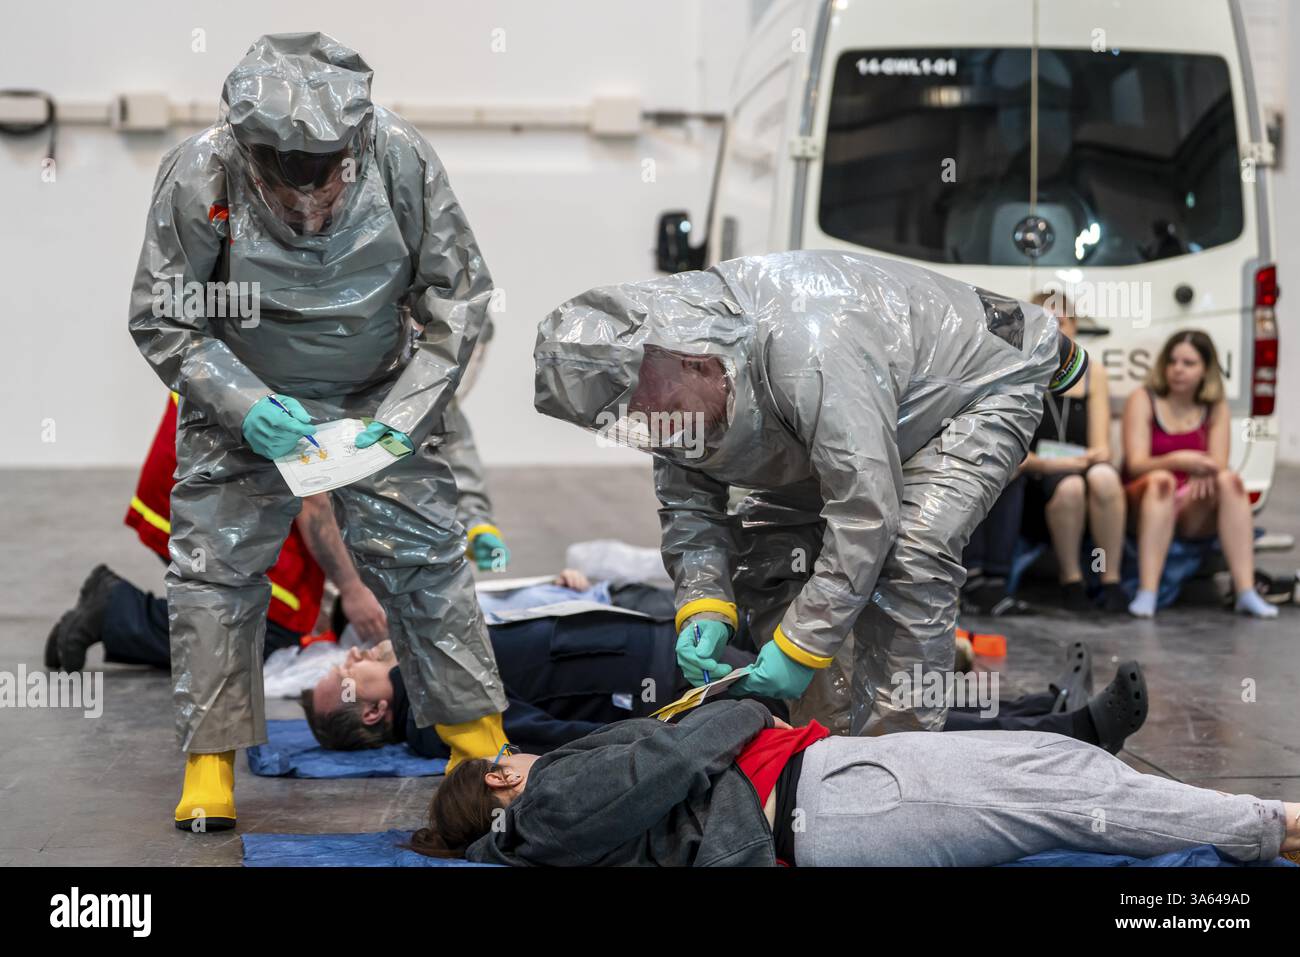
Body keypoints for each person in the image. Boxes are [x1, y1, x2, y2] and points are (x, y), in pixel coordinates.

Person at [128, 33, 509, 832]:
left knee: (428, 562)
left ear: (355, 145)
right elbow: (164, 316)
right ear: (247, 151)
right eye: (283, 185)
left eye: (325, 182)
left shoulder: (402, 159)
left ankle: (477, 740)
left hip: (375, 395)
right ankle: (210, 763)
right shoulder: (200, 172)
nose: (308, 207)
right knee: (214, 573)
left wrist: (402, 419)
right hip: (247, 403)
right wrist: (240, 403)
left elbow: (460, 303)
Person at [533, 250, 1088, 734]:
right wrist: (704, 603)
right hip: (863, 414)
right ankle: (825, 757)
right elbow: (688, 503)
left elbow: (866, 512)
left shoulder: (806, 353)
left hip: (979, 384)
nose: (655, 429)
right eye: (631, 422)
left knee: (912, 554)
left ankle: (900, 772)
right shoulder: (664, 386)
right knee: (774, 560)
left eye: (657, 412)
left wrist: (803, 646)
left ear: (695, 361)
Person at [412, 699, 1298, 866]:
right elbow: (678, 760)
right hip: (822, 804)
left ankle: (1268, 827)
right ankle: (1274, 825)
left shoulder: (548, 817)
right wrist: (747, 707)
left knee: (1064, 772)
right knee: (1066, 797)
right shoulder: (548, 806)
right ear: (499, 776)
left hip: (823, 793)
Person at [305, 594, 1147, 758]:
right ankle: (1069, 731)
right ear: (373, 717)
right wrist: (668, 728)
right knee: (865, 728)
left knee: (865, 692)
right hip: (678, 691)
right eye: (348, 682)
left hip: (668, 655)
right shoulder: (447, 713)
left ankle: (1037, 705)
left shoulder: (431, 668)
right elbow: (552, 730)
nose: (353, 663)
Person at [44, 393, 509, 672]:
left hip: (242, 473)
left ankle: (117, 610)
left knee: (272, 614)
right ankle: (115, 611)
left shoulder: (407, 369)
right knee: (264, 629)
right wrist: (351, 590)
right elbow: (313, 497)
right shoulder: (351, 356)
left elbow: (450, 451)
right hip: (216, 475)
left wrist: (477, 522)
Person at [1121, 330, 1276, 619]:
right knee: (1162, 482)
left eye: (1188, 363)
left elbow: (1217, 463)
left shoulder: (1214, 406)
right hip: (1148, 494)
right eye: (1173, 361)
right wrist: (1177, 460)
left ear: (1205, 369)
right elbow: (1136, 464)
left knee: (1230, 481)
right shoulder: (1143, 399)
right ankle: (1148, 590)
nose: (1178, 369)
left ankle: (1245, 590)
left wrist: (1205, 470)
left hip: (1192, 502)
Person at [1019, 290, 1128, 612]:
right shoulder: (1020, 372)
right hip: (1038, 478)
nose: (1054, 330)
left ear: (1075, 328)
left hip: (1080, 465)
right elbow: (1021, 456)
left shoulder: (1093, 373)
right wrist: (1063, 463)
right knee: (1070, 487)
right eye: (1044, 323)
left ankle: (1110, 580)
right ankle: (1072, 580)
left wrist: (1081, 461)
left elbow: (1101, 449)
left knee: (1105, 478)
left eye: (1061, 322)